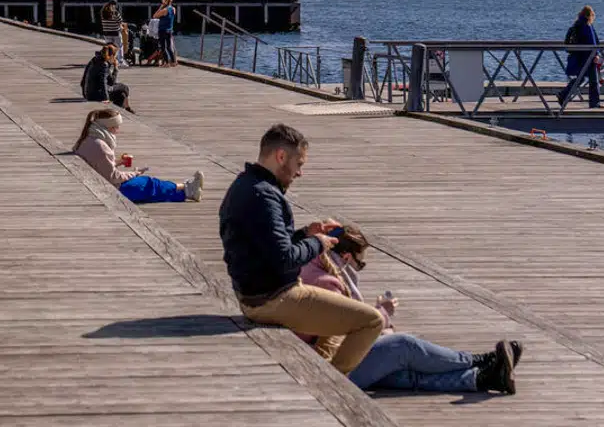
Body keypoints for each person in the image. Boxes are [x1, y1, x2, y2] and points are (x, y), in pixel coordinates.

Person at [218, 123, 385, 374]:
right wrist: (319, 243)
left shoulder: (245, 185)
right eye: (299, 164)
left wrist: (305, 233)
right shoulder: (265, 197)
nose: (300, 173)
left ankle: (329, 375)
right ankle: (337, 384)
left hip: (252, 295)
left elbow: (267, 245)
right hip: (273, 300)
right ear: (281, 156)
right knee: (372, 321)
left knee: (338, 324)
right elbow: (285, 259)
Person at [299, 225, 520, 394]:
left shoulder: (314, 267)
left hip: (320, 361)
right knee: (404, 345)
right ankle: (479, 361)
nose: (360, 269)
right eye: (361, 263)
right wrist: (381, 316)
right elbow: (343, 335)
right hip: (329, 368)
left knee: (401, 373)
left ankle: (482, 378)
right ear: (346, 257)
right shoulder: (327, 283)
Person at [73, 108, 202, 203]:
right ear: (109, 127)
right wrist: (135, 173)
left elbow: (99, 164)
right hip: (111, 188)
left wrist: (119, 162)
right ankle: (186, 187)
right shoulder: (101, 146)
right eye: (116, 127)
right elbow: (114, 177)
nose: (118, 130)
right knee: (149, 183)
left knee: (152, 193)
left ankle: (187, 192)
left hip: (96, 183)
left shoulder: (87, 139)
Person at [559, 5, 602, 109]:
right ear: (590, 15)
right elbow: (594, 42)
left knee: (581, 79)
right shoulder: (587, 26)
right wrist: (597, 54)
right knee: (593, 81)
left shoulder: (577, 25)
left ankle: (563, 94)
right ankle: (594, 103)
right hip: (588, 57)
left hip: (581, 57)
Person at [82, 44, 131, 111]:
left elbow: (110, 81)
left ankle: (120, 110)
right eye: (115, 57)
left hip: (90, 93)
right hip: (97, 94)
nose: (115, 59)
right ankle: (126, 108)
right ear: (111, 56)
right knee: (124, 87)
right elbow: (104, 82)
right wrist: (116, 68)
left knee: (121, 95)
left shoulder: (96, 60)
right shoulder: (104, 64)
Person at [151, 0, 178, 67]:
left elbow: (154, 16)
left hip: (162, 29)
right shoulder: (173, 9)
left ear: (165, 1)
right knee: (169, 47)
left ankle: (166, 63)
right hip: (170, 30)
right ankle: (173, 62)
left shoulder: (164, 10)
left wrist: (161, 6)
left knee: (163, 47)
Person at [99, 0, 128, 67]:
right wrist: (123, 28)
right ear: (115, 5)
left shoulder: (103, 12)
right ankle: (120, 61)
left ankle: (109, 61)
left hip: (106, 33)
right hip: (115, 33)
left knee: (109, 47)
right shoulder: (115, 13)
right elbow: (120, 23)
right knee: (119, 46)